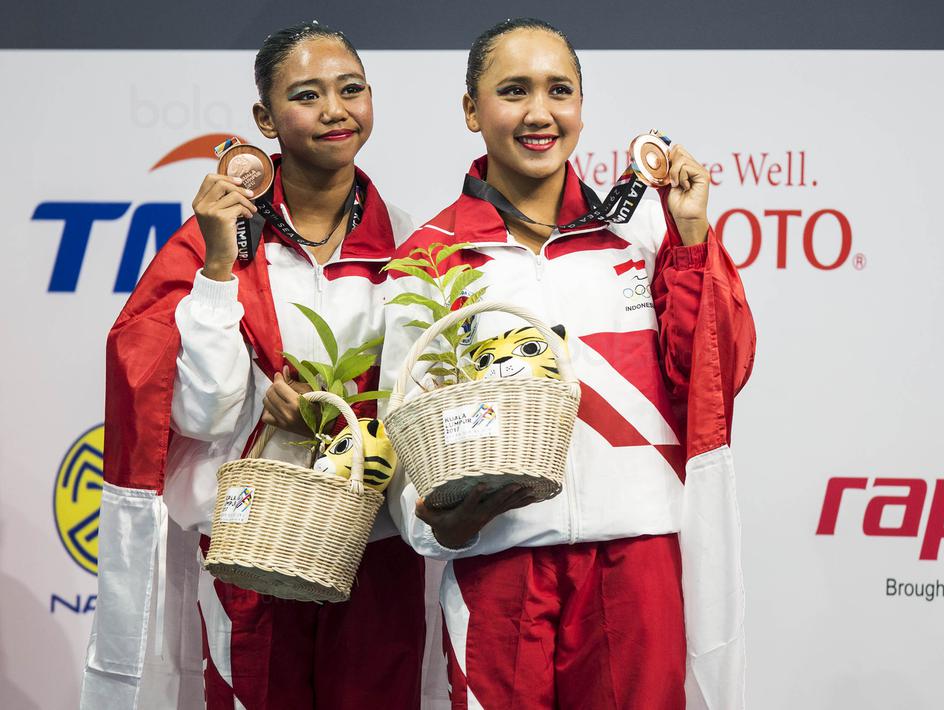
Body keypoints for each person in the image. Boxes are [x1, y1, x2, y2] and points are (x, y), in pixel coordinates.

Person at [381, 17, 756, 709]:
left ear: (581, 104)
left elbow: (713, 372)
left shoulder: (642, 227)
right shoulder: (428, 257)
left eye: (559, 90)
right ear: (471, 109)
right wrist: (436, 521)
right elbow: (404, 424)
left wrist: (693, 233)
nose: (539, 113)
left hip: (635, 552)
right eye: (512, 90)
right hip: (498, 561)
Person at [82, 21, 431, 710]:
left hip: (373, 537)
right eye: (307, 95)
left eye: (351, 89)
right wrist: (218, 267)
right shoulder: (215, 241)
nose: (335, 110)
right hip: (250, 539)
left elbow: (414, 392)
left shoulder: (405, 236)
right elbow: (200, 410)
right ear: (264, 119)